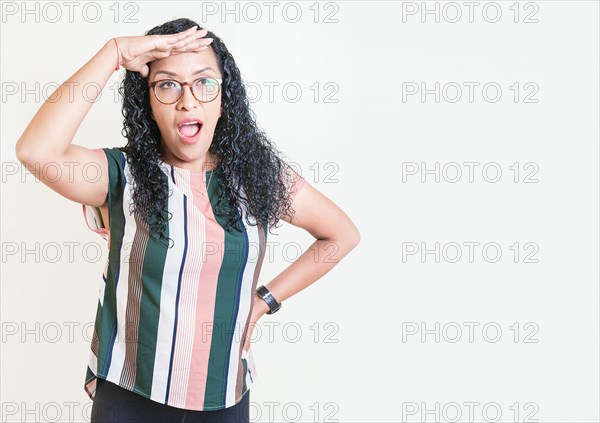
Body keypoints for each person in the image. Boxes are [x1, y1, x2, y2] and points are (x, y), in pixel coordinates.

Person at [15, 18, 360, 423]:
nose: (187, 101)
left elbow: (340, 235)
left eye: (203, 82)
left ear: (223, 97)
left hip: (223, 395)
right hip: (131, 395)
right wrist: (113, 54)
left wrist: (262, 301)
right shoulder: (120, 174)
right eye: (167, 84)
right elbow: (36, 151)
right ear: (147, 100)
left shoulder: (257, 175)